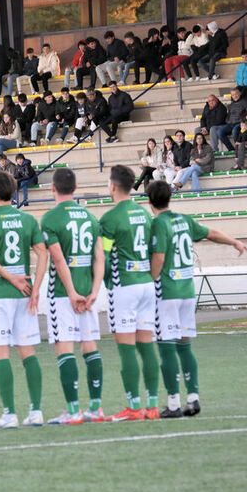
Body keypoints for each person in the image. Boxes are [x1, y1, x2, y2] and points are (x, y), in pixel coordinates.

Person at [147, 180, 247, 417]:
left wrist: (150, 282)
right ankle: (193, 398)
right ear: (169, 198)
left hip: (167, 292)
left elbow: (159, 257)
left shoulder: (157, 224)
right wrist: (234, 241)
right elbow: (211, 233)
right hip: (187, 291)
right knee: (184, 345)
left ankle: (173, 404)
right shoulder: (184, 220)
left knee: (166, 347)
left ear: (149, 201)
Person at [0, 170, 48, 429]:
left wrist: (9, 277)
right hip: (25, 294)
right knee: (28, 352)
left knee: (1, 352)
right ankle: (36, 411)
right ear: (14, 192)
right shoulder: (27, 220)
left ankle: (9, 414)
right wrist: (35, 286)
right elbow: (43, 254)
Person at [41, 168, 106, 424]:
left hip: (63, 295)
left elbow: (58, 260)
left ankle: (73, 410)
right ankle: (97, 409)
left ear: (53, 188)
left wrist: (72, 294)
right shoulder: (91, 218)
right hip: (88, 293)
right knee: (90, 347)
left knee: (64, 348)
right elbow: (99, 257)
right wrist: (93, 292)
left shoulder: (50, 219)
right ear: (75, 189)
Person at [99, 165, 159, 421]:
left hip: (124, 285)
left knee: (126, 349)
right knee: (147, 346)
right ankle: (153, 406)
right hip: (146, 284)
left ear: (113, 186)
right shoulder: (144, 214)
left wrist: (104, 283)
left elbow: (102, 255)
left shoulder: (110, 219)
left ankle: (133, 407)